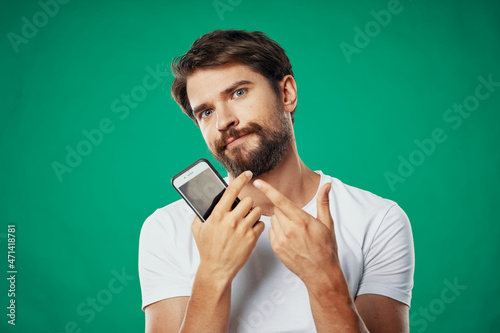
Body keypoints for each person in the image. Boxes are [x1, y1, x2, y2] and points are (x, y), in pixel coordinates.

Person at [139, 29, 414, 333]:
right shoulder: (165, 229)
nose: (223, 122)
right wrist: (212, 274)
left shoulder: (378, 220)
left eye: (238, 93)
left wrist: (326, 281)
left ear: (287, 94)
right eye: (206, 112)